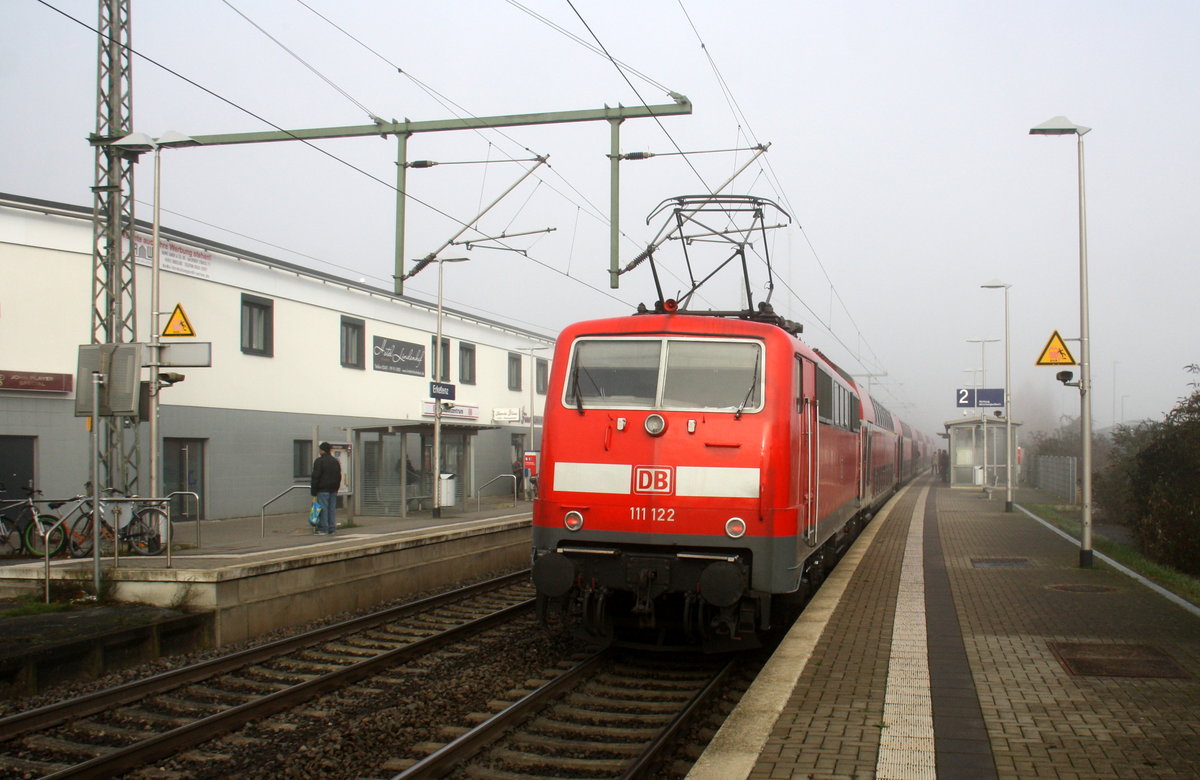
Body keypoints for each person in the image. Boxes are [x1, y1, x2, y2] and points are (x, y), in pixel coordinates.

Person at [310, 442, 342, 534]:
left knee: (323, 508)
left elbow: (316, 477)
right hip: (333, 489)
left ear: (322, 450)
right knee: (331, 509)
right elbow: (339, 476)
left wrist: (313, 491)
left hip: (322, 489)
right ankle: (332, 528)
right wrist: (336, 488)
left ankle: (324, 528)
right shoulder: (335, 461)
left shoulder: (319, 461)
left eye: (320, 449)